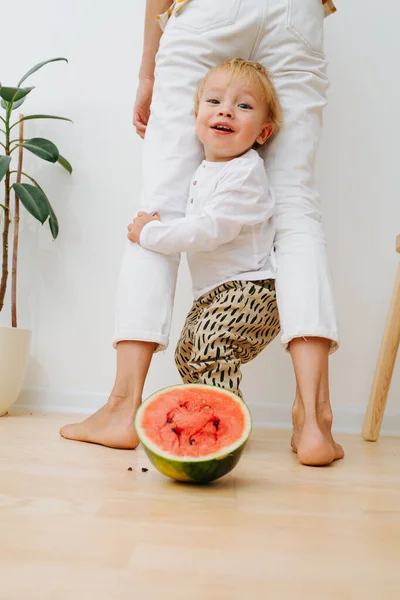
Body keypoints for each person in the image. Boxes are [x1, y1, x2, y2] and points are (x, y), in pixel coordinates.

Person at [60, 0, 344, 467]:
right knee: (296, 211)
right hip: (298, 13)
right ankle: (315, 421)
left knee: (159, 208)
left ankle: (121, 407)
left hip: (210, 11)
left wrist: (147, 73)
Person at [128, 58, 281, 398]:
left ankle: (222, 423)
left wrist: (150, 233)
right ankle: (214, 415)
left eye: (243, 106)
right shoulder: (204, 168)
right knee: (188, 352)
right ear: (196, 116)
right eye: (214, 102)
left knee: (209, 346)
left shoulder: (245, 172)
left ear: (263, 132)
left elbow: (209, 230)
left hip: (249, 290)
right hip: (214, 293)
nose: (225, 112)